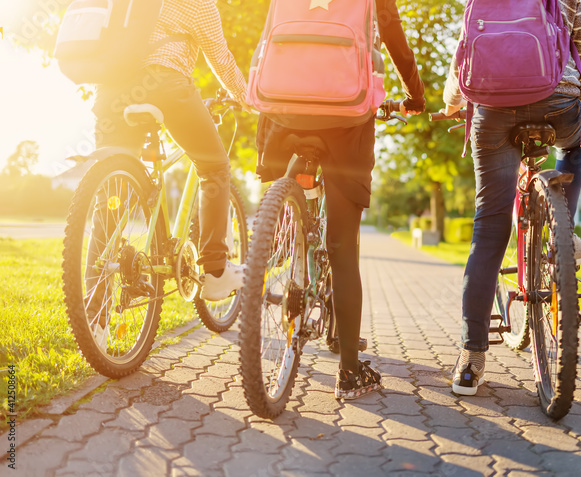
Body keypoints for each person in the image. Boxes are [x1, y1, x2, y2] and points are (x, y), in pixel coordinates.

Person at [255, 0, 426, 400]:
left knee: (280, 199)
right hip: (346, 115)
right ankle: (349, 373)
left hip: (283, 108)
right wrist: (414, 94)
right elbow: (391, 31)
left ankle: (283, 236)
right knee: (342, 247)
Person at [442, 0, 581, 396]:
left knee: (489, 228)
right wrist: (580, 96)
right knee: (575, 147)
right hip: (558, 97)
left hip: (493, 103)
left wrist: (452, 102)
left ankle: (471, 359)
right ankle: (563, 238)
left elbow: (467, 41)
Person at [92, 0, 248, 301]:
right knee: (214, 166)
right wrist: (248, 98)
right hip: (163, 83)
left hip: (110, 91)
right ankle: (215, 273)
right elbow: (221, 58)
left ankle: (93, 315)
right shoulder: (200, 3)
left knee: (111, 194)